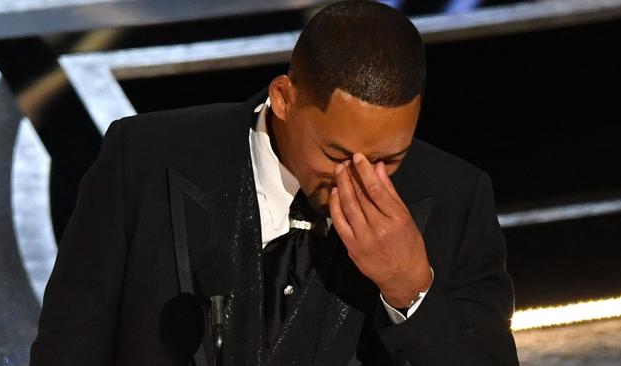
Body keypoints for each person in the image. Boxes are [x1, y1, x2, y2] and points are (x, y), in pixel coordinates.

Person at [30, 1, 518, 365]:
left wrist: (410, 288)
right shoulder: (143, 157)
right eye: (337, 154)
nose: (364, 180)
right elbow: (68, 345)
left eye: (391, 159)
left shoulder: (456, 196)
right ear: (284, 98)